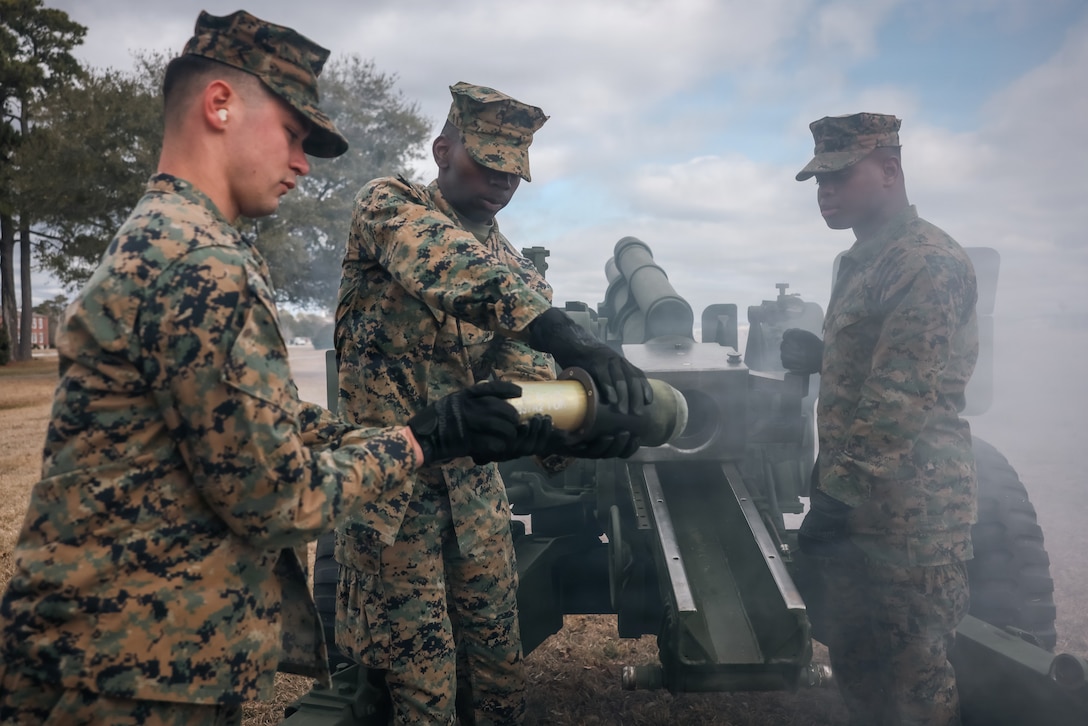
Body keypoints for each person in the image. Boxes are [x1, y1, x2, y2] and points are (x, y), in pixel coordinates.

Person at [0, 12, 539, 726]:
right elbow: (279, 498)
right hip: (130, 671)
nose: (303, 163)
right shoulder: (199, 261)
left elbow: (269, 426)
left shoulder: (189, 243)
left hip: (134, 656)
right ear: (219, 105)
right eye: (292, 133)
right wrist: (418, 441)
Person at [334, 82, 652, 724]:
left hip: (475, 503)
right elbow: (450, 267)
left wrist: (581, 430)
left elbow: (522, 385)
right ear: (443, 149)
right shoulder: (388, 207)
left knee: (498, 678)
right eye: (488, 162)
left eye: (516, 167)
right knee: (416, 695)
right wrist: (569, 334)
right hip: (392, 492)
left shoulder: (515, 270)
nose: (505, 179)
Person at [783, 112, 979, 725]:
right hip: (858, 509)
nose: (826, 193)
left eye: (840, 176)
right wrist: (826, 356)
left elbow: (901, 395)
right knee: (859, 665)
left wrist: (833, 501)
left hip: (911, 520)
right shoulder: (861, 260)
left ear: (890, 170)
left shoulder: (926, 260)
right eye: (818, 182)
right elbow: (882, 358)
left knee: (913, 680)